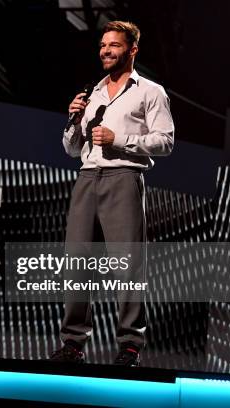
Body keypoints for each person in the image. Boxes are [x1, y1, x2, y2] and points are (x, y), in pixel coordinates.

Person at [51, 21, 174, 366]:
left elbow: (165, 142)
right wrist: (74, 120)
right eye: (103, 45)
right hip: (87, 178)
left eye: (114, 45)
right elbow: (72, 149)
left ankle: (130, 345)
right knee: (77, 263)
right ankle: (73, 344)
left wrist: (119, 140)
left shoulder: (150, 91)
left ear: (132, 49)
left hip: (124, 177)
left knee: (128, 265)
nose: (105, 51)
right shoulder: (91, 92)